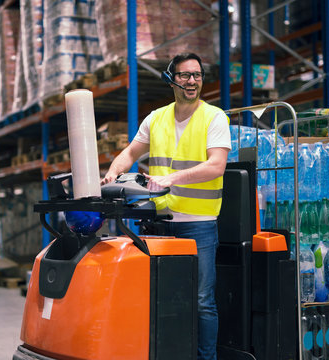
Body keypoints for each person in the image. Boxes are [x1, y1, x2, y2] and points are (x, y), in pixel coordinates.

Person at [101, 53, 231, 360]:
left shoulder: (214, 117)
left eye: (197, 75)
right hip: (159, 223)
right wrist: (112, 172)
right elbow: (130, 152)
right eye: (185, 75)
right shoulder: (156, 118)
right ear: (171, 79)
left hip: (198, 224)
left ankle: (205, 358)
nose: (192, 81)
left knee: (201, 300)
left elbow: (217, 166)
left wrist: (173, 178)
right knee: (158, 296)